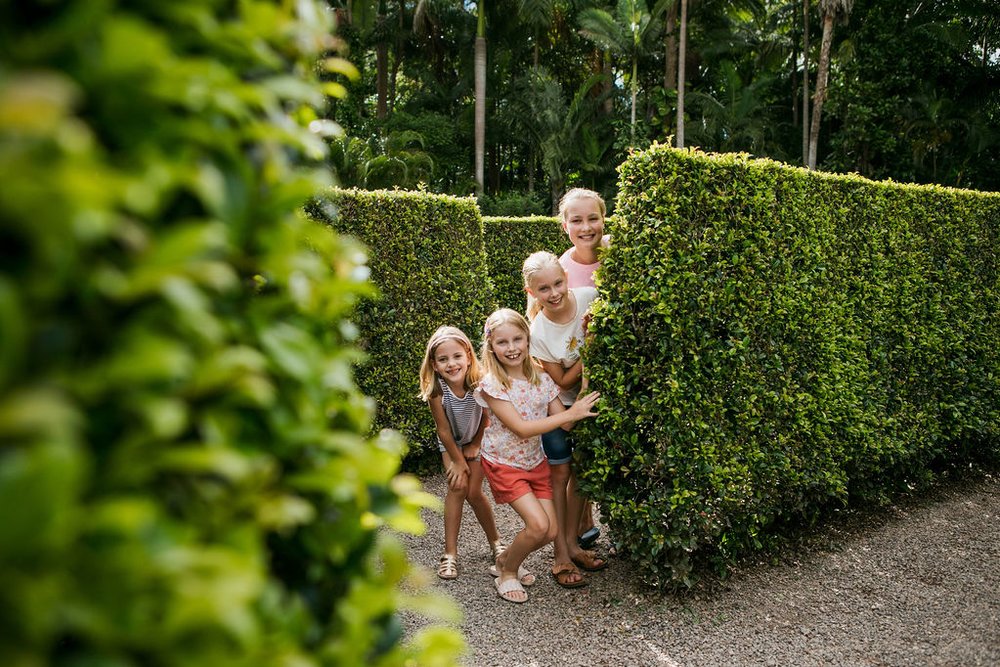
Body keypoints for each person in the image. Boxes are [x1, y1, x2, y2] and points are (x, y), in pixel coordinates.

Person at [476, 309, 600, 603]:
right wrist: (570, 413)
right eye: (503, 342)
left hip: (534, 462)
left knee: (551, 530)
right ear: (491, 346)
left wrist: (582, 390)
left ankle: (504, 560)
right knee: (539, 526)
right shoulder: (494, 384)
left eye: (517, 339)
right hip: (504, 463)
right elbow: (521, 429)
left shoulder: (542, 380)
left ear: (527, 339)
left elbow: (566, 421)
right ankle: (508, 573)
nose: (512, 348)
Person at [523, 251, 608, 589]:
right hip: (558, 410)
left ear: (566, 279)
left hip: (590, 403)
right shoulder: (538, 331)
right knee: (560, 478)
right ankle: (560, 553)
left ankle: (573, 543)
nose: (554, 293)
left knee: (582, 478)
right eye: (544, 289)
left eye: (558, 283)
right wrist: (589, 346)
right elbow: (562, 381)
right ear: (532, 293)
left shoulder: (588, 297)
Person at [419, 326, 504, 580]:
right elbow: (443, 431)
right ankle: (450, 555)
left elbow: (487, 418)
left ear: (468, 355)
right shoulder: (437, 391)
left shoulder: (479, 382)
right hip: (451, 443)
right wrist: (457, 460)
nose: (451, 364)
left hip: (476, 439)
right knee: (457, 487)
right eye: (443, 359)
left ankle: (496, 542)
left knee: (474, 491)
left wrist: (475, 445)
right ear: (434, 364)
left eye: (457, 356)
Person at [557, 187, 609, 548]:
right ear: (565, 226)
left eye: (593, 218)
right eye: (577, 220)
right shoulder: (561, 266)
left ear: (604, 219)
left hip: (614, 365)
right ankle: (583, 521)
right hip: (574, 368)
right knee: (581, 451)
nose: (586, 226)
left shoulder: (616, 256)